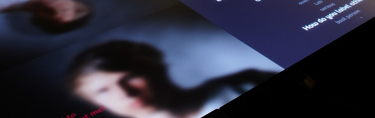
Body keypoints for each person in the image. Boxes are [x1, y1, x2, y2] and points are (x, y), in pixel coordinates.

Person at [68, 40, 274, 118]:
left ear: (156, 68)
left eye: (129, 78)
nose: (126, 93)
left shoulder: (245, 83)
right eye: (103, 91)